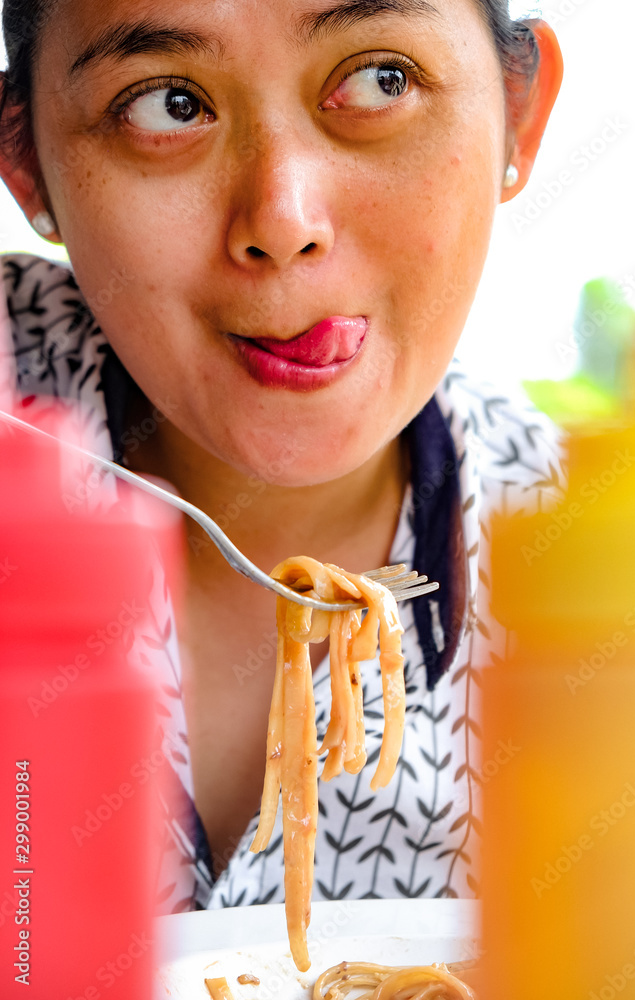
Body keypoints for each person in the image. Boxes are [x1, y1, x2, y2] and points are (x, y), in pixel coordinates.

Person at [0, 0, 564, 912]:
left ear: (517, 111)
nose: (282, 218)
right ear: (26, 161)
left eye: (382, 79)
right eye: (168, 104)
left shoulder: (601, 581)